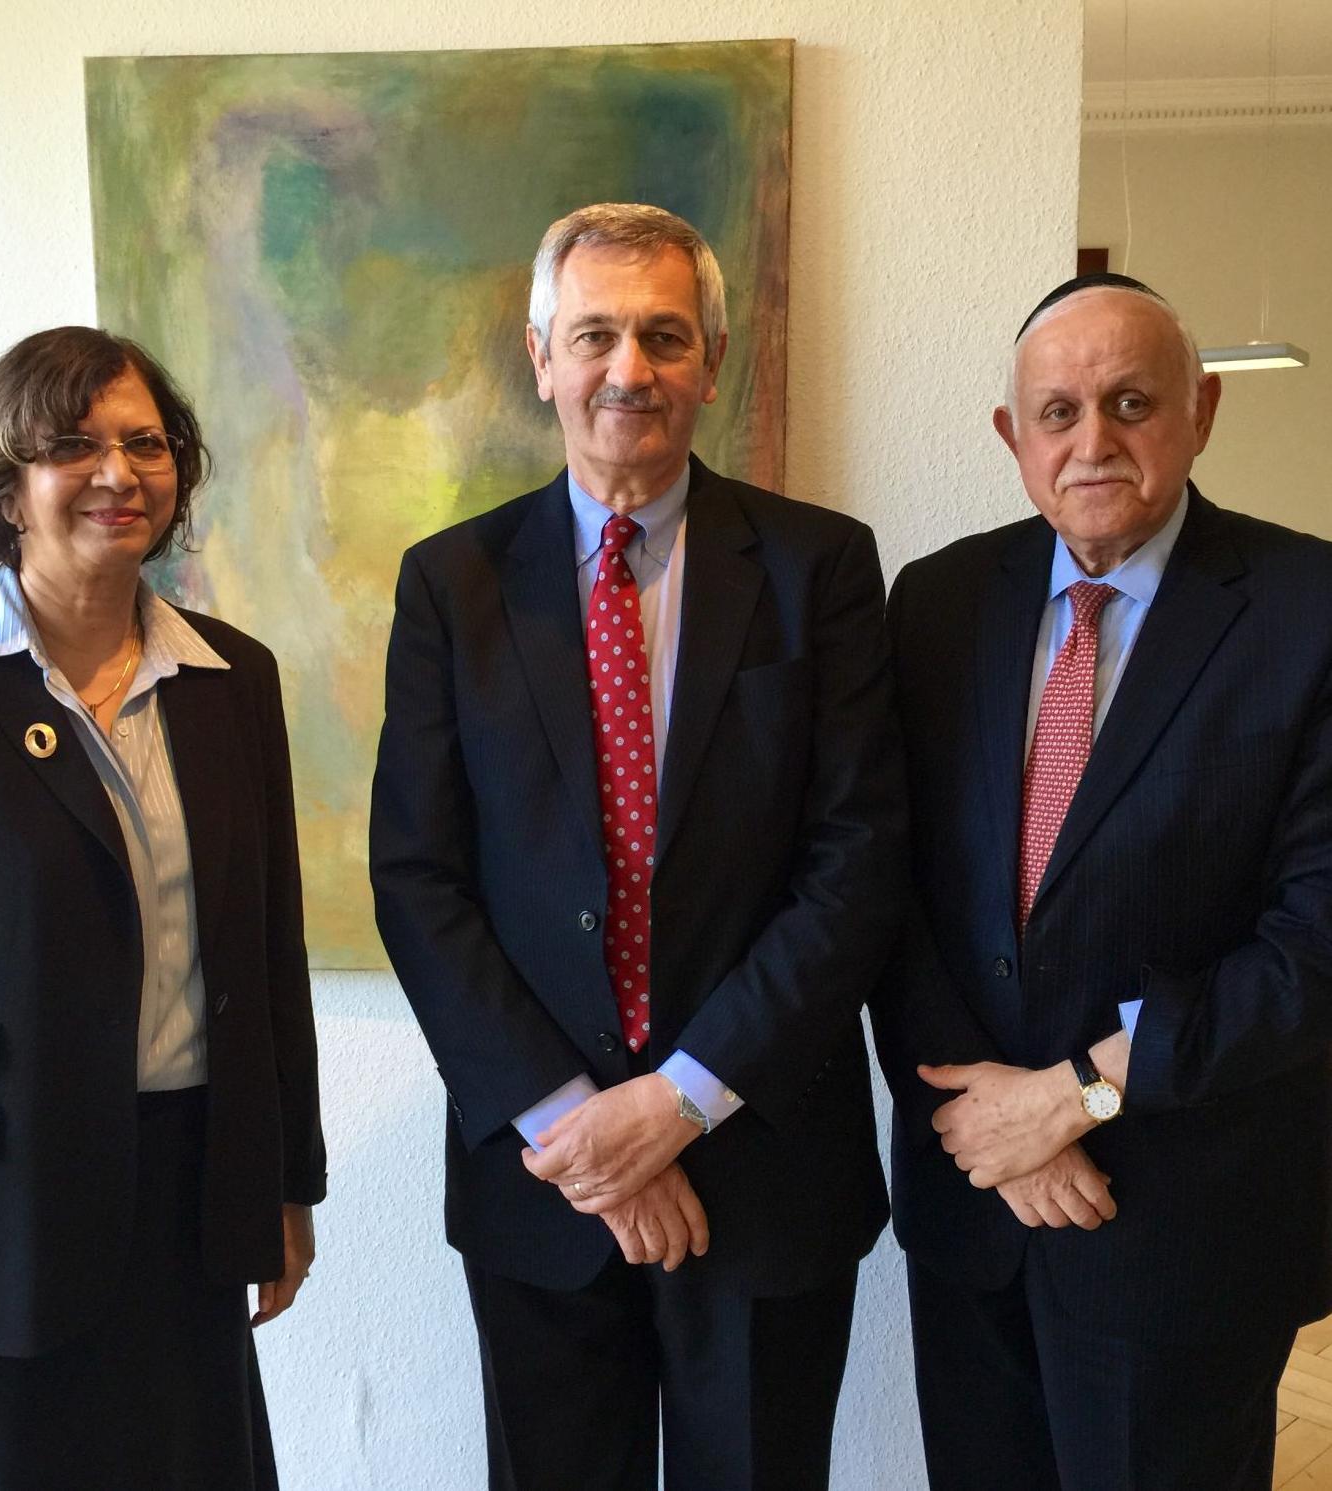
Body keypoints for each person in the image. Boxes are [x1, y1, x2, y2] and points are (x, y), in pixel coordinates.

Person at [370, 202, 905, 1489]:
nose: (629, 369)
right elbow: (418, 879)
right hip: (542, 1188)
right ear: (541, 357)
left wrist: (676, 1103)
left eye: (664, 336)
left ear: (711, 361)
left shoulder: (817, 567)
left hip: (763, 1167)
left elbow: (855, 864)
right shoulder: (451, 584)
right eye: (595, 334)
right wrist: (586, 1138)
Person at [0, 327, 327, 1490]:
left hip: (191, 1211)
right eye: (73, 446)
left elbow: (267, 950)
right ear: (4, 486)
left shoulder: (232, 678)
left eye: (145, 445)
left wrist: (284, 1182)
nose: (119, 474)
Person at [873, 272, 1332, 1489]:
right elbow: (883, 890)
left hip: (1188, 1221)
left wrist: (1074, 1095)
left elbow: (1314, 943)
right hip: (972, 1198)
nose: (1092, 442)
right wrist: (988, 1123)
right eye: (1058, 411)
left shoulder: (1309, 608)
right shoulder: (934, 603)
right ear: (1009, 437)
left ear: (1201, 409)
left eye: (1130, 402)